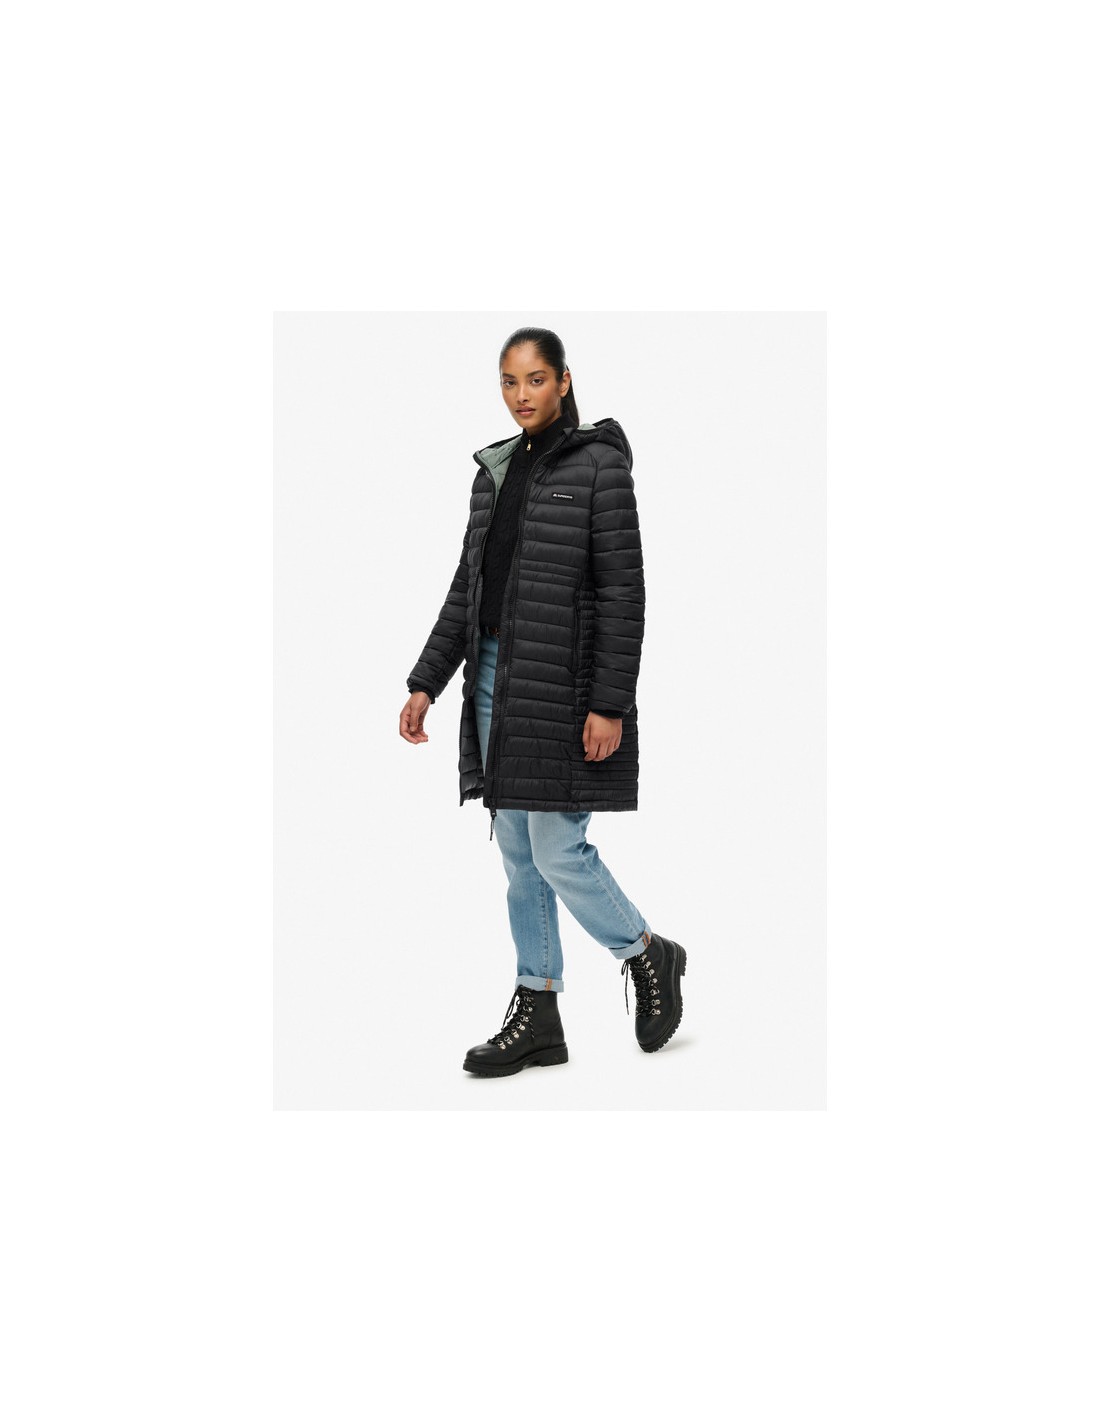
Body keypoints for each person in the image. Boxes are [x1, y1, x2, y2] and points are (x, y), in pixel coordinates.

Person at [399, 327, 686, 1077]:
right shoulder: (494, 471)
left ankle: (646, 951)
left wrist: (609, 703)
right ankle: (539, 1009)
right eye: (508, 381)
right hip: (495, 676)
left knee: (558, 848)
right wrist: (427, 681)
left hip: (563, 683)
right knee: (519, 855)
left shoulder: (598, 467)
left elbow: (624, 593)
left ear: (563, 380)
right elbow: (467, 589)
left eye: (534, 379)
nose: (521, 395)